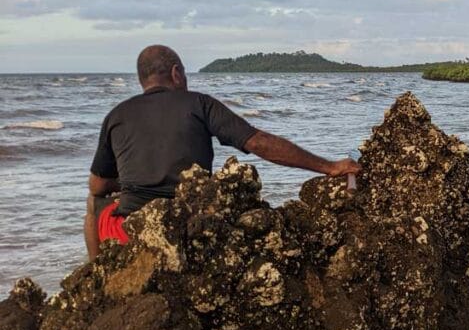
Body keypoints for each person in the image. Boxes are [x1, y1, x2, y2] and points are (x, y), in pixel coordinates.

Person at [85, 45, 360, 260]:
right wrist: (329, 166)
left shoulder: (116, 115)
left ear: (142, 80)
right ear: (176, 73)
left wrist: (132, 181)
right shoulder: (199, 104)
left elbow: (98, 185)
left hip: (131, 231)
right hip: (191, 224)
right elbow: (258, 142)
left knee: (93, 203)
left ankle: (97, 275)